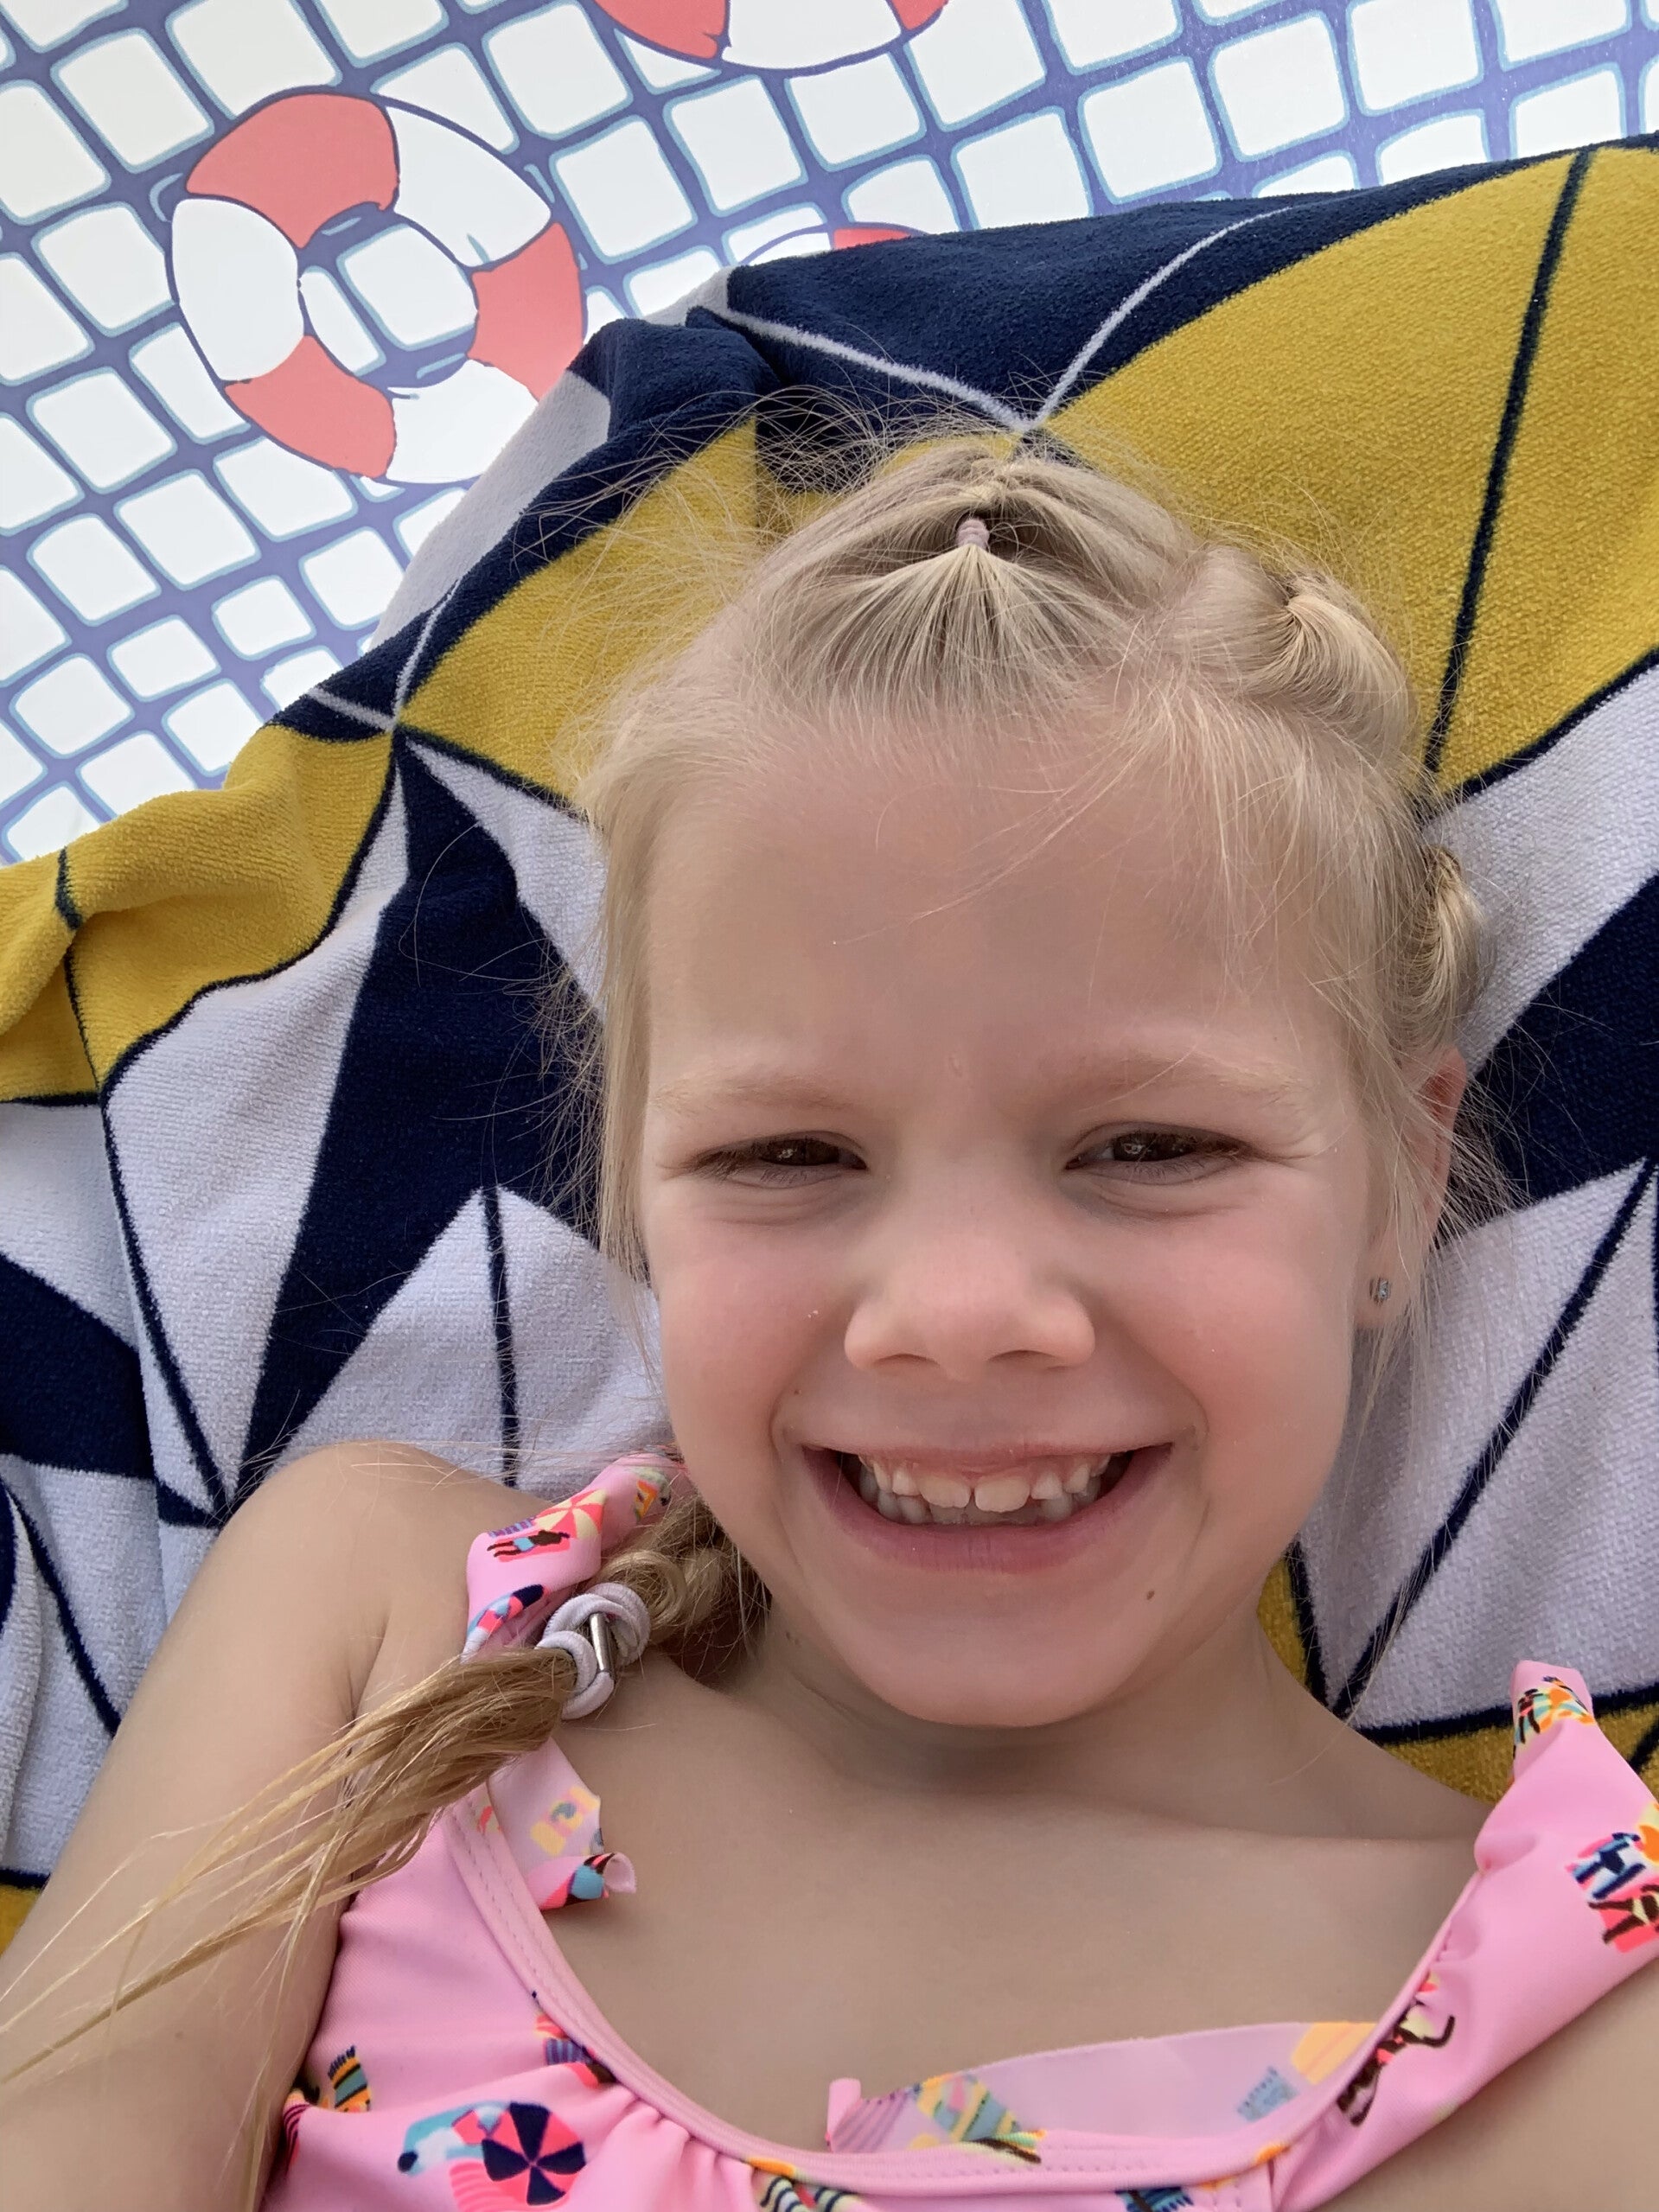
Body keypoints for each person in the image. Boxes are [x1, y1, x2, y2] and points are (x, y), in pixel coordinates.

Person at [3, 439, 1655, 2211]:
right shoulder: (392, 1632)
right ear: (634, 1196)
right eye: (787, 1154)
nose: (954, 1315)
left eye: (1149, 1147)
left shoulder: (1559, 2024)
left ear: (1402, 1182)